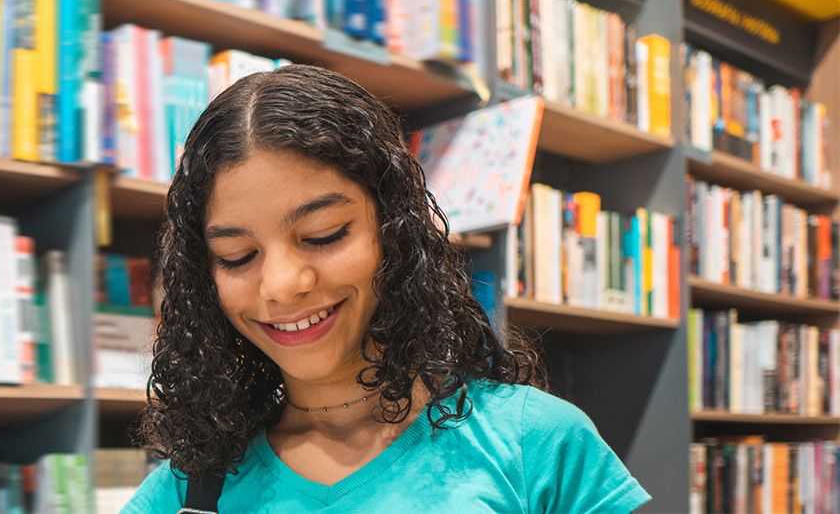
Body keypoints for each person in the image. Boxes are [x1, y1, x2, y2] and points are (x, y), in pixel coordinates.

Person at [121, 65, 650, 513]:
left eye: (323, 235)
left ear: (394, 230)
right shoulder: (187, 488)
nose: (282, 286)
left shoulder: (535, 441)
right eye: (237, 257)